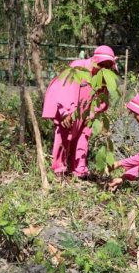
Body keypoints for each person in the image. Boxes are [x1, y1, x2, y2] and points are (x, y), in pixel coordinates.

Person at [42, 45, 116, 178]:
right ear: (95, 60)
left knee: (83, 139)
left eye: (107, 65)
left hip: (87, 113)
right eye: (101, 64)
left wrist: (93, 113)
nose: (103, 68)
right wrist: (66, 112)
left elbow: (103, 97)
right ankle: (59, 169)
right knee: (63, 138)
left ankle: (80, 170)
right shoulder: (78, 67)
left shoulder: (104, 75)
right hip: (70, 110)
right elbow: (66, 88)